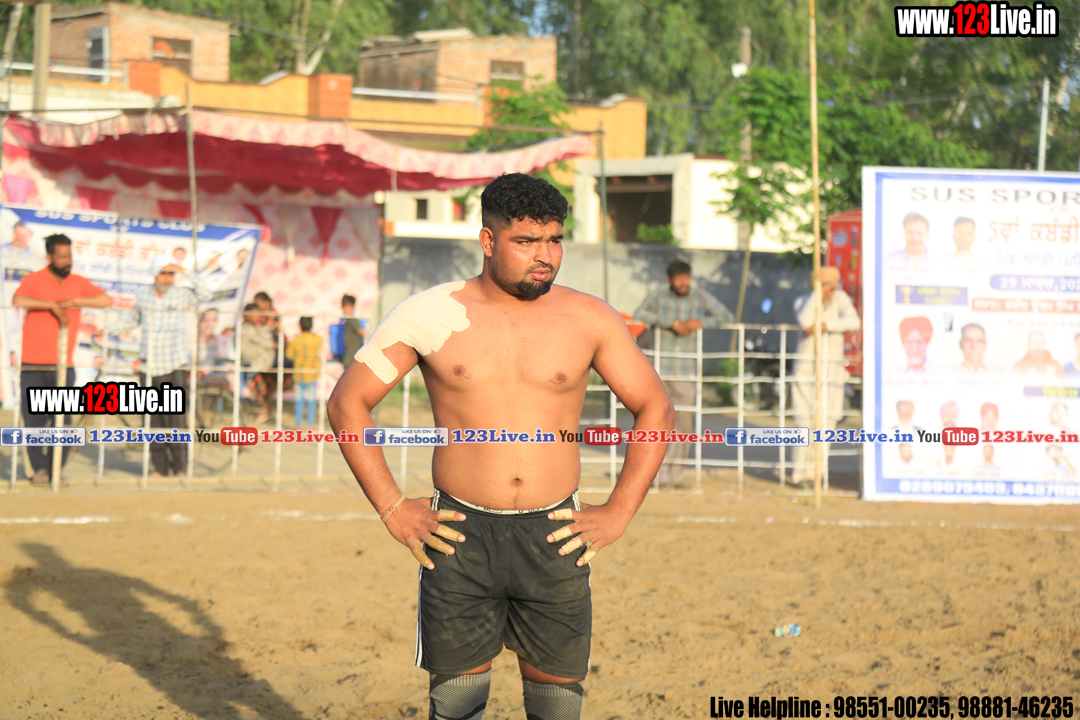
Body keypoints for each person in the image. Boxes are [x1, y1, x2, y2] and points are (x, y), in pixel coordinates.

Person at [326, 173, 673, 720]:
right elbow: (348, 402)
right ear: (488, 241)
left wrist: (618, 511)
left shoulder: (590, 318)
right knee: (456, 706)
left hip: (556, 535)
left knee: (557, 707)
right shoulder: (431, 313)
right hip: (458, 536)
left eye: (554, 240)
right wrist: (393, 508)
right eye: (526, 241)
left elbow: (655, 406)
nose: (545, 256)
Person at [99, 255, 211, 478]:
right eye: (163, 273)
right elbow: (132, 321)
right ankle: (159, 467)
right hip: (149, 364)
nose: (167, 278)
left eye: (170, 274)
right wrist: (107, 331)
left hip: (174, 363)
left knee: (175, 418)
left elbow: (207, 294)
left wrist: (183, 270)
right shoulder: (143, 294)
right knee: (152, 418)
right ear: (154, 274)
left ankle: (180, 467)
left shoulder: (182, 294)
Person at [12, 233, 111, 485]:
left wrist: (74, 301)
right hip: (33, 363)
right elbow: (18, 300)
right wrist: (53, 306)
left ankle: (55, 467)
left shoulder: (77, 282)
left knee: (64, 422)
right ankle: (40, 469)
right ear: (49, 257)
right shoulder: (34, 280)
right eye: (62, 256)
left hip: (63, 365)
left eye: (70, 256)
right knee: (34, 420)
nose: (67, 260)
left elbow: (105, 300)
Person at [632, 259, 732, 487]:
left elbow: (726, 317)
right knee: (657, 423)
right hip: (658, 369)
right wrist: (672, 323)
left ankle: (675, 476)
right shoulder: (659, 296)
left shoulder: (700, 297)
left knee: (684, 424)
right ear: (670, 280)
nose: (683, 283)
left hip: (686, 370)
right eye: (678, 279)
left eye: (686, 278)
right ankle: (657, 476)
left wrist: (699, 322)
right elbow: (640, 313)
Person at [789, 266, 861, 487]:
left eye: (833, 286)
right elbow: (805, 321)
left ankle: (817, 474)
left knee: (827, 424)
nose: (831, 291)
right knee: (805, 423)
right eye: (827, 286)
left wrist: (826, 326)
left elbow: (854, 322)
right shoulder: (804, 301)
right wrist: (817, 294)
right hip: (806, 372)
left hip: (831, 372)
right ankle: (799, 475)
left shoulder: (840, 299)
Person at [240, 303, 277, 424]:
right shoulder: (247, 329)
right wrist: (271, 345)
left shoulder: (255, 328)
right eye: (255, 314)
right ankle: (264, 410)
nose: (258, 316)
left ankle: (266, 411)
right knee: (264, 384)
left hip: (258, 362)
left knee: (271, 382)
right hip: (253, 362)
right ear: (248, 315)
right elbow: (266, 343)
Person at [286, 316, 322, 429]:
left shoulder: (296, 341)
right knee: (311, 401)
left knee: (299, 401)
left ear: (300, 326)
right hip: (312, 374)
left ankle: (298, 426)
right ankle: (310, 425)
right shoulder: (317, 339)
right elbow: (320, 349)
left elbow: (289, 355)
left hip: (299, 374)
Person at [341, 294, 364, 365]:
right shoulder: (348, 319)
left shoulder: (351, 319)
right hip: (351, 357)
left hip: (352, 358)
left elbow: (362, 332)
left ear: (352, 307)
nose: (345, 309)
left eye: (347, 306)